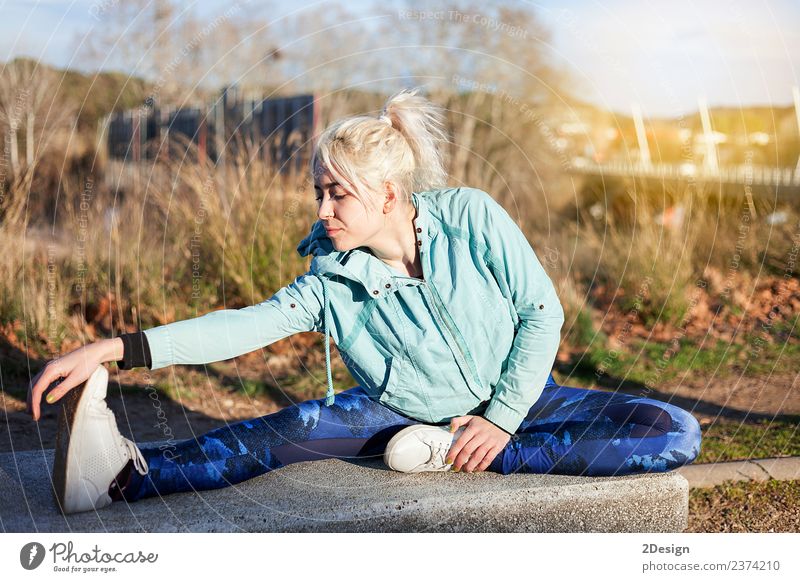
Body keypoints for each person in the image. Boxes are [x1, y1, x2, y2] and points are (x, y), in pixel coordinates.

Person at [27, 88, 702, 516]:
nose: (321, 209)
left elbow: (541, 313)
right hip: (394, 411)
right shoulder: (330, 274)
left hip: (518, 398)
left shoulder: (471, 217)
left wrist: (499, 421)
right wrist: (118, 348)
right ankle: (120, 476)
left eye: (336, 193)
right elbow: (246, 327)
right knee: (279, 435)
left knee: (674, 432)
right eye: (319, 191)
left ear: (388, 194)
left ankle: (461, 452)